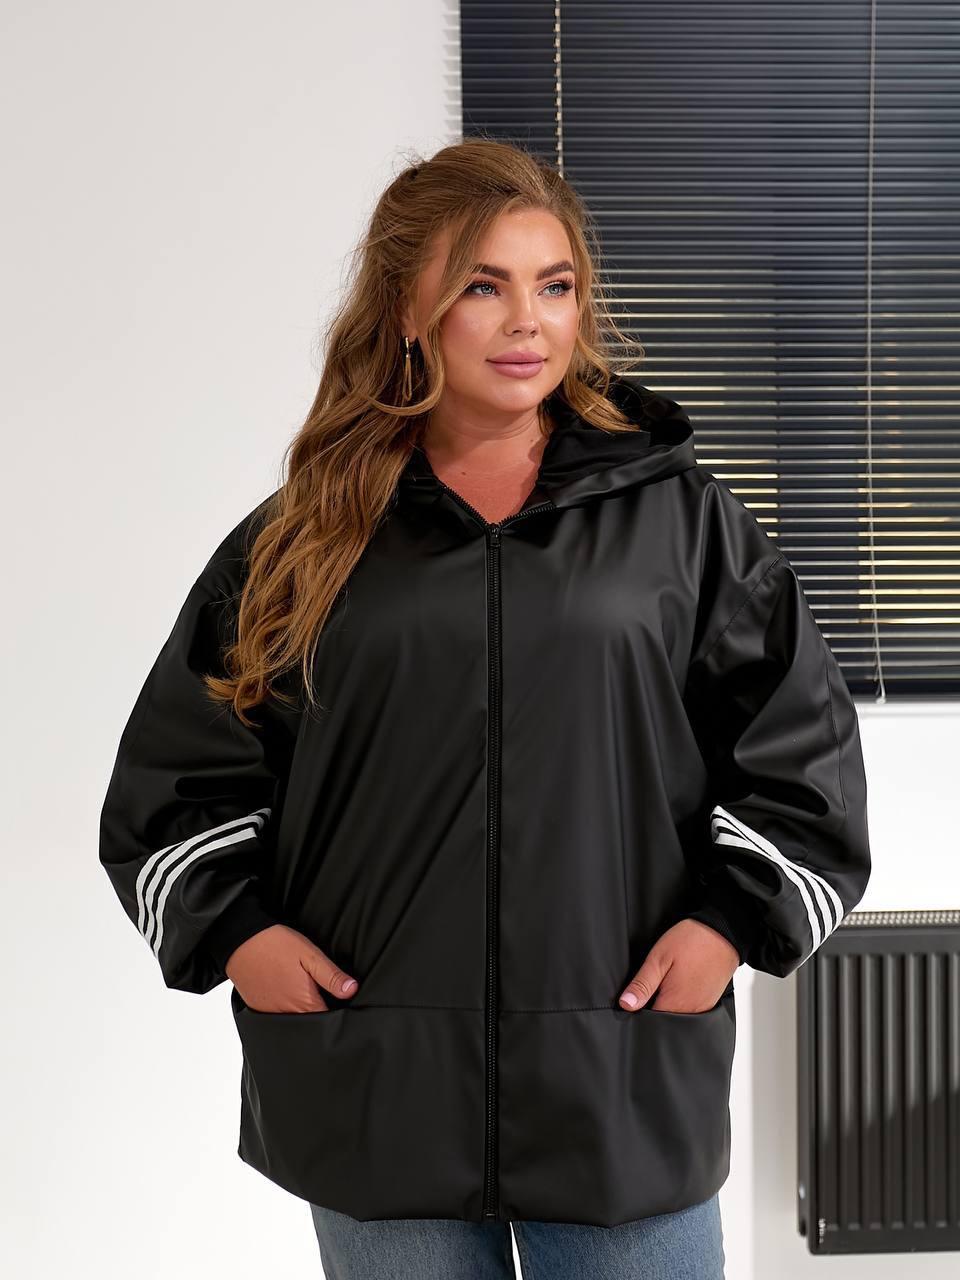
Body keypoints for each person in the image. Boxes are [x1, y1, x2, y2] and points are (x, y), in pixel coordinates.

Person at [99, 138, 871, 1279]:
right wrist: (243, 936)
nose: (527, 322)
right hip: (377, 1084)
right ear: (408, 310)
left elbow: (804, 760)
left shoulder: (681, 522)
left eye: (554, 286)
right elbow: (178, 777)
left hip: (618, 1073)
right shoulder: (307, 537)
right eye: (482, 286)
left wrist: (725, 927)